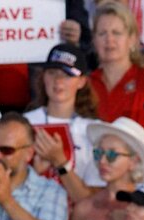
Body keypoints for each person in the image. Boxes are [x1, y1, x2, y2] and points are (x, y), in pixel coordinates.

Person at [88, 0, 144, 135]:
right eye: (102, 33)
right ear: (94, 40)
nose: (109, 39)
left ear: (132, 39)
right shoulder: (85, 84)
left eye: (116, 33)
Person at [24, 43, 103, 191]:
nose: (58, 80)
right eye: (52, 72)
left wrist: (59, 161)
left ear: (81, 82)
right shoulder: (25, 123)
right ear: (43, 77)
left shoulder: (93, 129)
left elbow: (93, 198)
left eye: (67, 75)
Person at [67, 118, 144, 220]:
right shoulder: (83, 207)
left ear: (134, 161)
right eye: (99, 153)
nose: (102, 161)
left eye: (112, 155)